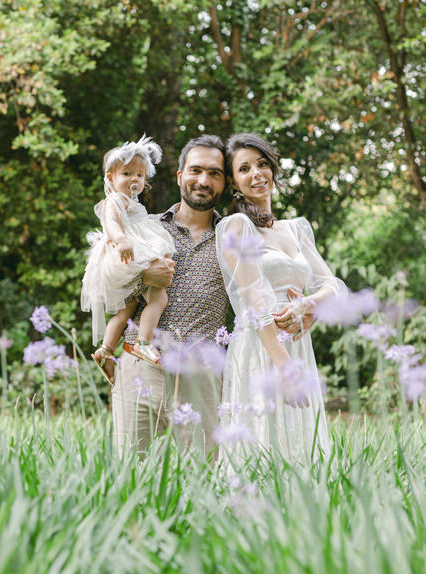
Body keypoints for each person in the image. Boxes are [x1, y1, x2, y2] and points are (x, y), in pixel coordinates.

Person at [109, 134, 313, 459]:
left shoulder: (233, 236)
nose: (204, 180)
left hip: (201, 378)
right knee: (128, 474)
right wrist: (142, 275)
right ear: (180, 176)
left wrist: (303, 307)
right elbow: (106, 284)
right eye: (196, 170)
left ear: (225, 182)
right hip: (141, 366)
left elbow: (264, 292)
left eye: (215, 173)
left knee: (202, 481)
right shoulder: (146, 228)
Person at [215, 133, 346, 463]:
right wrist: (285, 370)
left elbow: (335, 286)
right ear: (233, 181)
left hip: (298, 342)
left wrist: (308, 305)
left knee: (300, 445)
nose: (257, 174)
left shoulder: (296, 229)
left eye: (262, 164)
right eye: (244, 169)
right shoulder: (236, 227)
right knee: (263, 445)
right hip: (263, 345)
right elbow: (253, 301)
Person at [81, 136, 176, 369]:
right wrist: (122, 239)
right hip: (126, 255)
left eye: (140, 175)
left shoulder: (132, 203)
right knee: (159, 297)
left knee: (125, 312)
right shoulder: (114, 201)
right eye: (127, 173)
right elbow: (112, 224)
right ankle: (144, 342)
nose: (134, 179)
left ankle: (105, 350)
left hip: (131, 255)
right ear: (110, 178)